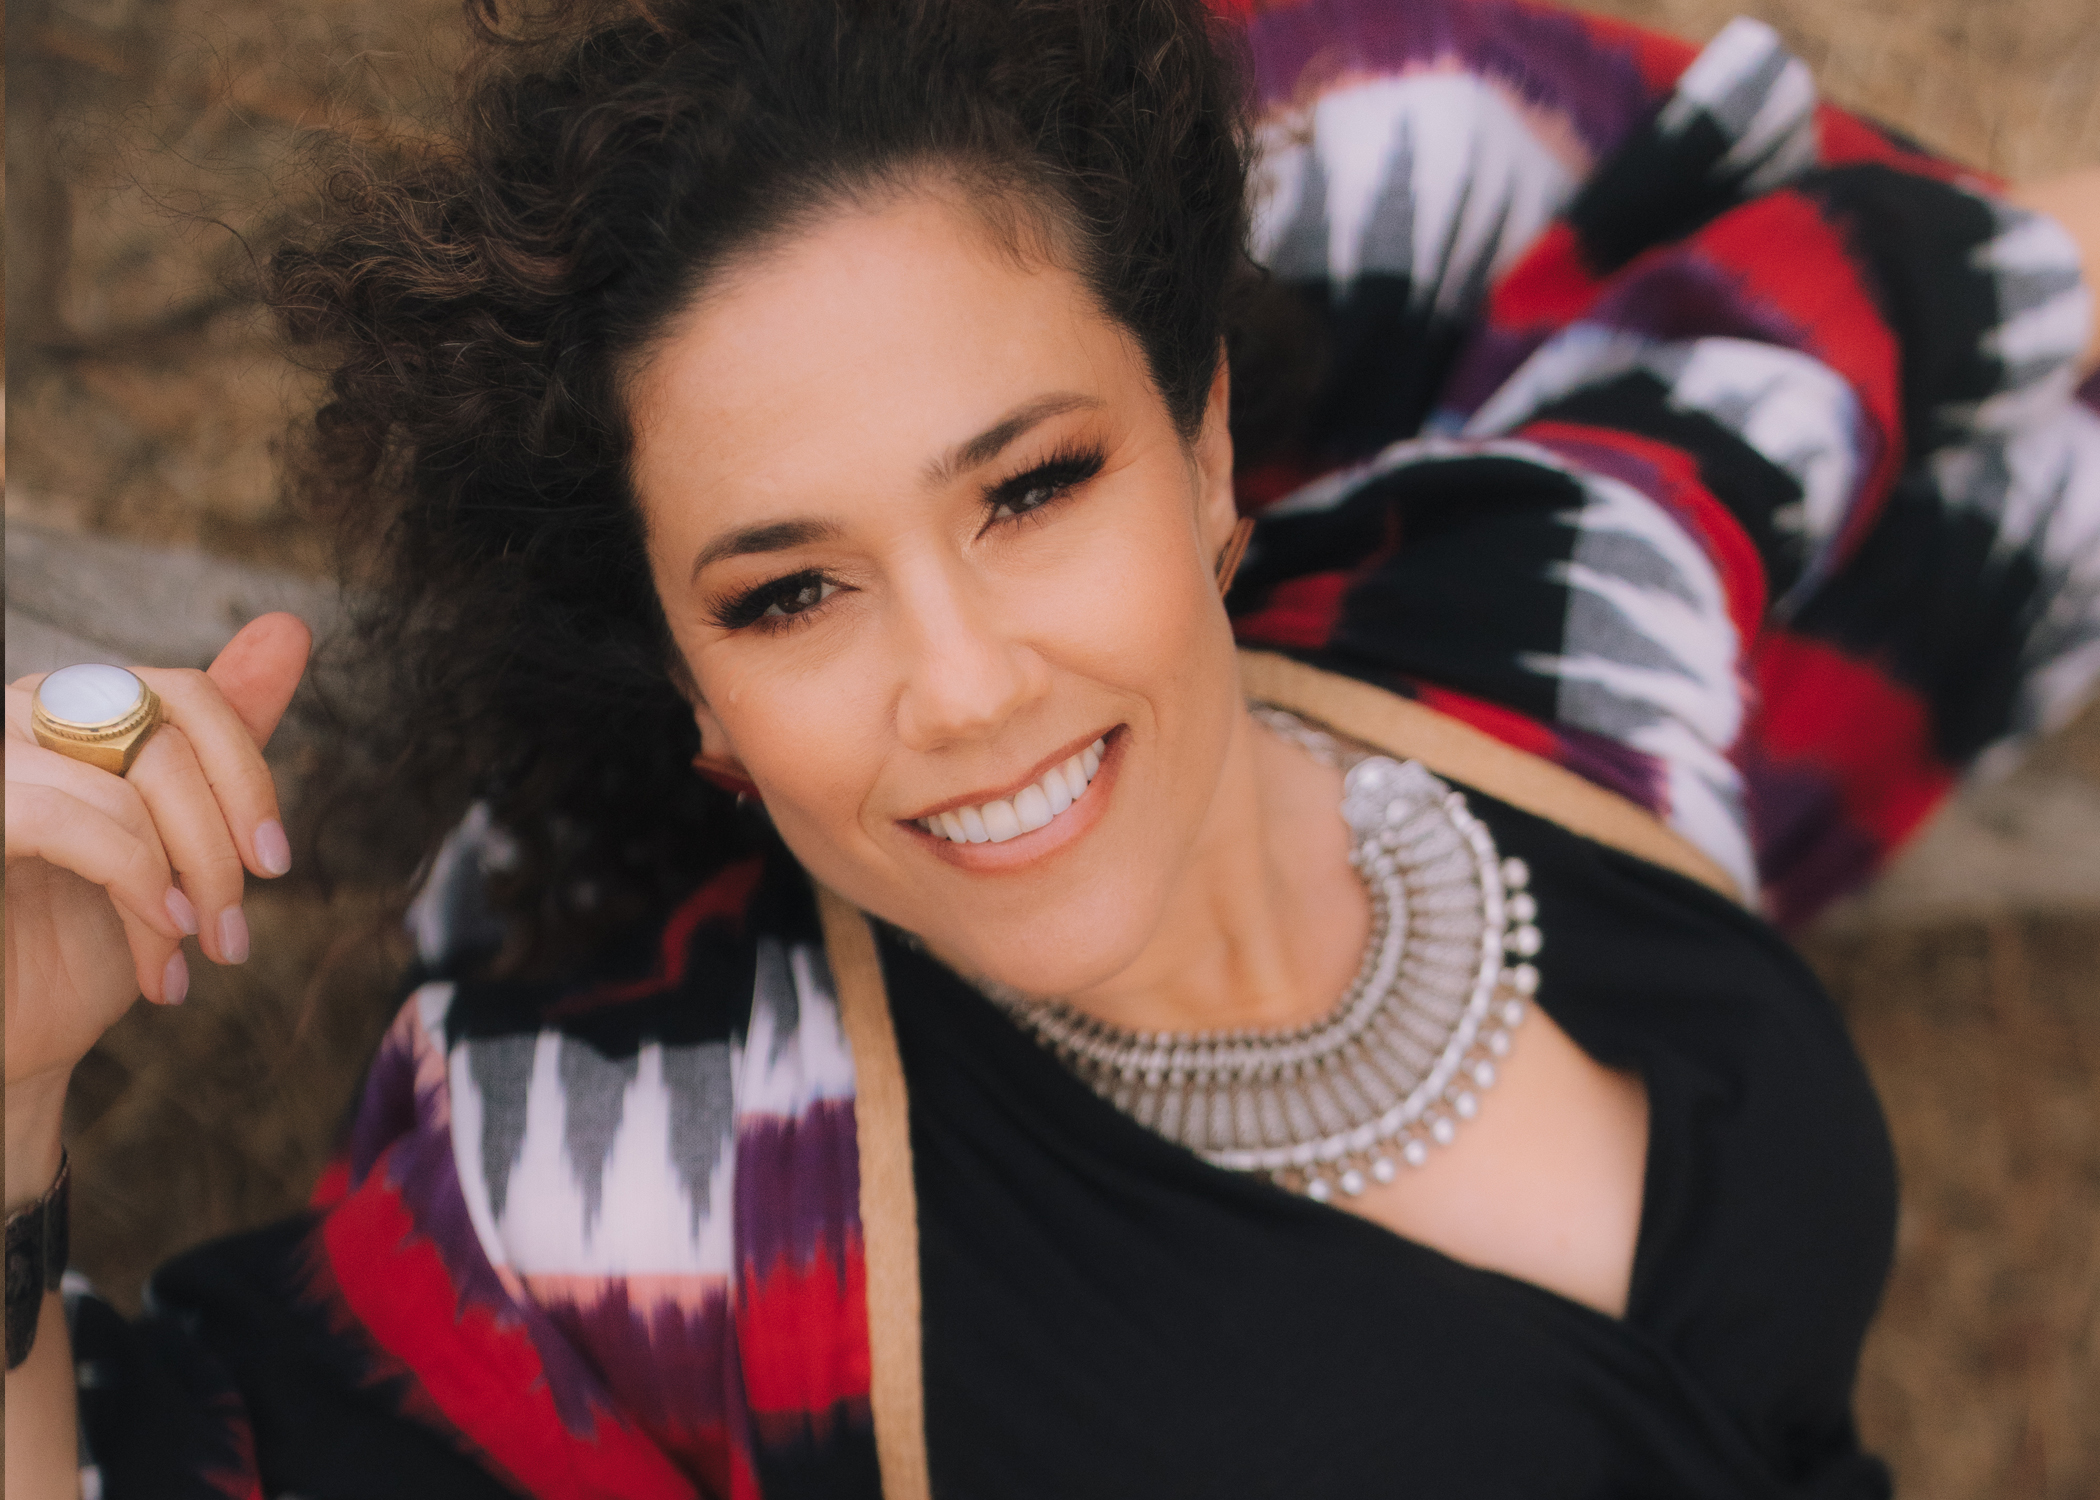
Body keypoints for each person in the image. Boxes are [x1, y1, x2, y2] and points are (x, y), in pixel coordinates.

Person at [7, 0, 2099, 1494]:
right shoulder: (676, 1185)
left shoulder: (1508, 625)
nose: (969, 682)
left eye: (1026, 488)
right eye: (787, 593)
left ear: (1199, 443)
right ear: (694, 694)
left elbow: (1826, 326)